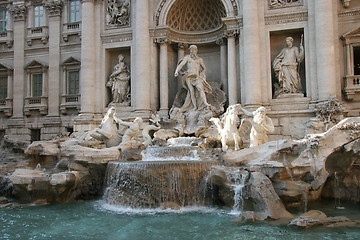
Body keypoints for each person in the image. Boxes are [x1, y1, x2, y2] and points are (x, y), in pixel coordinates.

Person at [174, 45, 212, 111]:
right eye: (191, 50)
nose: (192, 51)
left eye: (193, 49)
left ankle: (205, 103)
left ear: (196, 50)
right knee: (191, 91)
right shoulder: (187, 58)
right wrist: (176, 71)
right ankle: (194, 107)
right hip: (188, 76)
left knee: (200, 88)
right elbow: (181, 64)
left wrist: (202, 74)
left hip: (196, 76)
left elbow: (204, 68)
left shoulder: (199, 59)